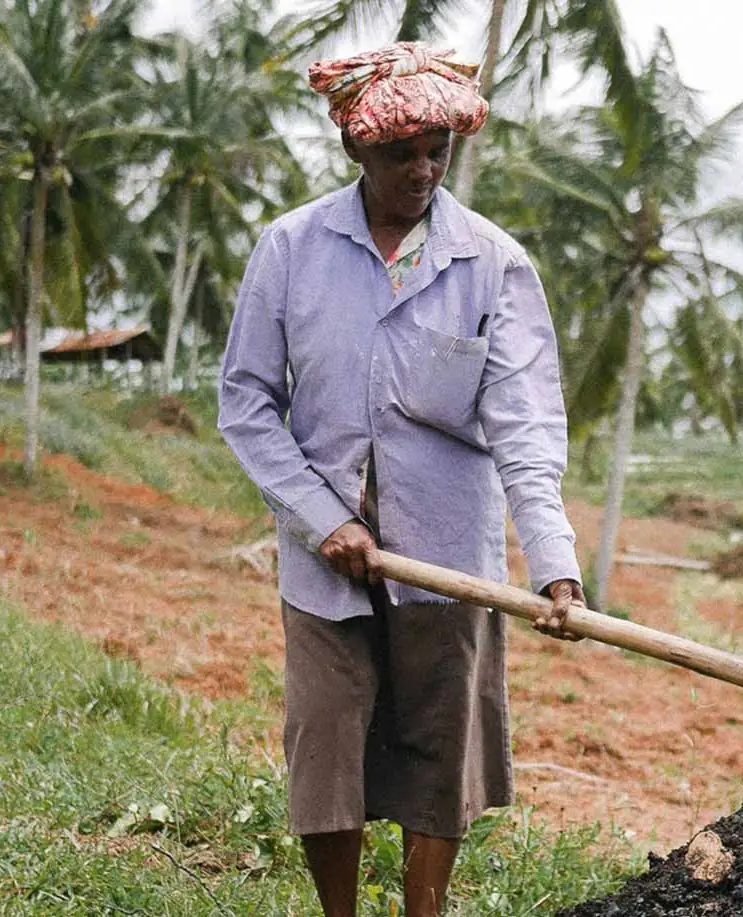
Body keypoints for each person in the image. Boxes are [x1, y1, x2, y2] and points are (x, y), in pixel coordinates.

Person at [216, 42, 589, 917]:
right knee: (326, 746)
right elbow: (247, 404)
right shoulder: (293, 250)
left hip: (447, 550)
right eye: (400, 153)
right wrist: (319, 519)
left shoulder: (492, 265)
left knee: (439, 751)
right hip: (325, 557)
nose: (422, 169)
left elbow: (525, 427)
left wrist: (554, 562)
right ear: (356, 151)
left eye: (437, 150)